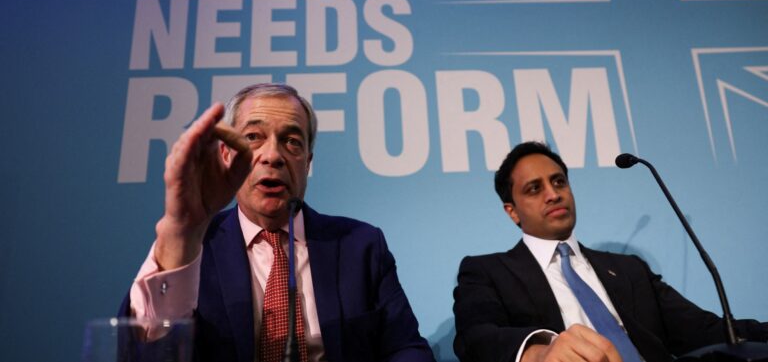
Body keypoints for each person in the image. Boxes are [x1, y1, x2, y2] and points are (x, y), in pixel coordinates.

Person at [120, 83, 435, 362]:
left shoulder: (361, 245)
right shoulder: (191, 247)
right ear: (227, 154)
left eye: (292, 141)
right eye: (253, 137)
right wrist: (183, 230)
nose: (273, 155)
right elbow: (145, 350)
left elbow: (405, 348)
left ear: (307, 162)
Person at [452, 141, 768, 362]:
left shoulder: (629, 269)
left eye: (559, 182)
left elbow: (705, 331)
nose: (553, 194)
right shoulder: (487, 271)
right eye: (535, 188)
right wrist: (538, 352)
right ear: (512, 211)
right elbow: (475, 338)